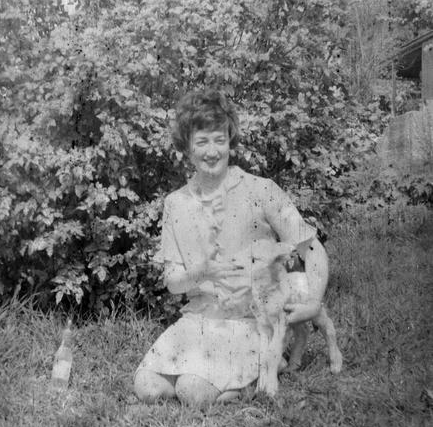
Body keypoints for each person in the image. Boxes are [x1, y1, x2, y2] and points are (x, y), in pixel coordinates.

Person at [133, 87, 328, 409]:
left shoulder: (261, 190)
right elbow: (173, 283)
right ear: (187, 147)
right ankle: (226, 378)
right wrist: (202, 272)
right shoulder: (176, 204)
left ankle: (268, 364)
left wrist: (313, 302)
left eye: (219, 140)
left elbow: (312, 249)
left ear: (230, 141)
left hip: (251, 322)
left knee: (192, 391)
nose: (212, 151)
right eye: (202, 142)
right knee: (147, 387)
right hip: (199, 321)